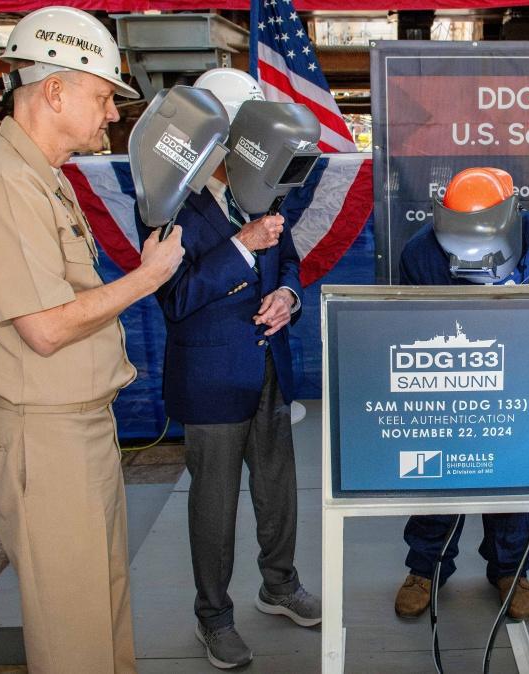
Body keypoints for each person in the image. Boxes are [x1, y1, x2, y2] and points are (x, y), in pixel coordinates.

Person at [0, 7, 184, 672]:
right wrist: (148, 276)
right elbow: (45, 329)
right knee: (73, 637)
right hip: (44, 437)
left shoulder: (42, 176)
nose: (112, 115)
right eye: (105, 96)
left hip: (77, 430)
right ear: (55, 90)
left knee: (99, 615)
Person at [156, 67, 320, 670]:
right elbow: (174, 297)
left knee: (279, 493)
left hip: (269, 372)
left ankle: (279, 585)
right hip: (211, 382)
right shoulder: (168, 196)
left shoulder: (266, 191)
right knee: (215, 506)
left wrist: (289, 299)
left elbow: (291, 265)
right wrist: (243, 245)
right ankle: (214, 617)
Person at [393, 167, 529, 621]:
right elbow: (401, 327)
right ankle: (425, 568)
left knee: (514, 480)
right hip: (446, 392)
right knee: (437, 479)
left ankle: (511, 570)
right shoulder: (421, 252)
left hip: (520, 389)